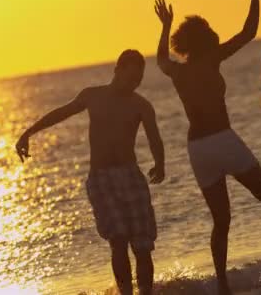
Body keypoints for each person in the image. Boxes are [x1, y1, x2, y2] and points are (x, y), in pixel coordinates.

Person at [153, 0, 261, 294]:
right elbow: (249, 32)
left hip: (197, 150)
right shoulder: (211, 59)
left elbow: (160, 61)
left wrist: (164, 26)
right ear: (203, 41)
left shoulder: (179, 71)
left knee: (222, 221)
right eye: (210, 31)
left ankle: (223, 285)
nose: (215, 33)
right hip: (223, 140)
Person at [15, 50, 164, 295]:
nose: (135, 83)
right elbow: (61, 113)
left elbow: (154, 137)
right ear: (118, 69)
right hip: (101, 178)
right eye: (131, 77)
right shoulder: (93, 96)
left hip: (130, 175)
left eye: (139, 79)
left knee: (142, 245)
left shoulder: (141, 105)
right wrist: (29, 132)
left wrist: (160, 163)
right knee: (118, 240)